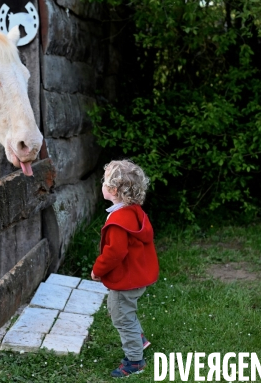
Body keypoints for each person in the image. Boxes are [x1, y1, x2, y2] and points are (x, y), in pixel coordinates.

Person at [91, 160, 159, 378]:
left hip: (126, 280)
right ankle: (138, 339)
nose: (102, 184)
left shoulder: (119, 221)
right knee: (122, 310)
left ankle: (135, 361)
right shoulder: (134, 212)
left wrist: (97, 270)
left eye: (104, 181)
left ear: (113, 190)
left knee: (121, 316)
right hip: (138, 276)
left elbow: (114, 253)